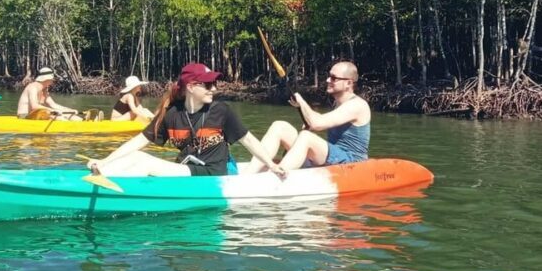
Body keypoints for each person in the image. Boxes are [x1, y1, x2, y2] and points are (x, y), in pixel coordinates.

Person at [87, 62, 285, 177]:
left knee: (143, 161)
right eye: (208, 85)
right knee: (134, 157)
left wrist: (273, 165)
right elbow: (139, 141)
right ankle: (101, 172)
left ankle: (104, 178)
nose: (214, 89)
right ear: (191, 87)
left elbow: (248, 140)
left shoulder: (221, 111)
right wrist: (106, 159)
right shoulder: (172, 113)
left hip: (212, 172)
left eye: (214, 84)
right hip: (187, 169)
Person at [241, 61, 371, 174]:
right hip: (333, 155)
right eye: (329, 76)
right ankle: (249, 174)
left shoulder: (357, 105)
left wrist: (302, 102)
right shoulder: (337, 103)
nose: (327, 80)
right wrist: (303, 112)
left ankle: (277, 176)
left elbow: (317, 123)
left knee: (306, 137)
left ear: (348, 83)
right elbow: (318, 119)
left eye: (333, 78)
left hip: (352, 160)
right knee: (280, 126)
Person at [17, 67, 83, 121]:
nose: (52, 81)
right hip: (24, 116)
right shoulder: (33, 87)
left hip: (38, 114)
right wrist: (54, 111)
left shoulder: (44, 90)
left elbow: (53, 105)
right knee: (59, 118)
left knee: (73, 117)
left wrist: (69, 110)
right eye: (52, 79)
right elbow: (34, 106)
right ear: (47, 79)